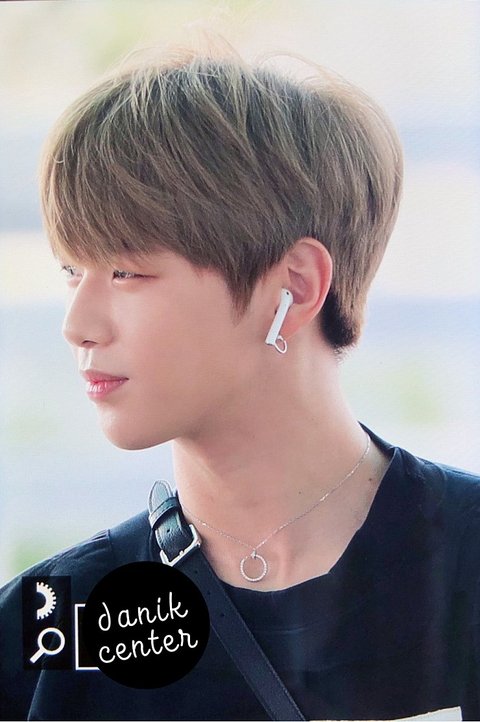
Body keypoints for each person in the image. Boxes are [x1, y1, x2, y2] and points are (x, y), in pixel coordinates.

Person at [1, 40, 479, 721]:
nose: (77, 325)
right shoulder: (49, 628)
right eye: (72, 273)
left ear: (295, 287)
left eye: (127, 272)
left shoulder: (463, 568)